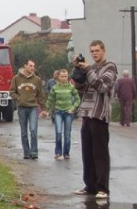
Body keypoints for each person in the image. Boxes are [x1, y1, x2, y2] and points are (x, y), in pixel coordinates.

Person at [72, 40, 118, 199]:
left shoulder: (110, 67)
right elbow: (80, 87)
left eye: (97, 50)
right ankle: (90, 185)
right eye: (92, 51)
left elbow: (102, 86)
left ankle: (103, 188)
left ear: (103, 51)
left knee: (100, 153)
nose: (94, 53)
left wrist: (88, 69)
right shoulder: (90, 68)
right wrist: (78, 70)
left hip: (100, 114)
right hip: (86, 112)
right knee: (87, 152)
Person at [10, 59, 45, 159]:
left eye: (33, 66)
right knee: (24, 132)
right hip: (22, 107)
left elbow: (40, 94)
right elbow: (12, 92)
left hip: (33, 107)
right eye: (30, 66)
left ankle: (34, 152)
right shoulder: (16, 78)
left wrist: (43, 108)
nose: (32, 68)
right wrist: (18, 98)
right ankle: (26, 152)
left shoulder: (37, 79)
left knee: (33, 129)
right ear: (25, 66)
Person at [44, 69, 80, 160]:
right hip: (58, 112)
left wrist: (72, 108)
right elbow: (50, 100)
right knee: (58, 132)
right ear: (58, 77)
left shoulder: (71, 88)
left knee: (67, 134)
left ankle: (66, 153)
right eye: (62, 76)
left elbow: (77, 100)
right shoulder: (55, 88)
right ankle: (58, 152)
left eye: (65, 76)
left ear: (67, 77)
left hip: (68, 113)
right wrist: (46, 110)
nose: (64, 78)